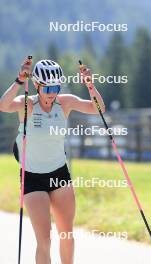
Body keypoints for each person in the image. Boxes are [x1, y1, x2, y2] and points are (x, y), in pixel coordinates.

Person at [0, 57, 105, 264]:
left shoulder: (64, 102)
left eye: (56, 87)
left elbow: (98, 109)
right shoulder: (27, 104)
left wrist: (90, 85)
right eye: (47, 89)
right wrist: (19, 81)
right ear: (37, 85)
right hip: (32, 178)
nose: (52, 93)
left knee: (66, 235)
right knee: (45, 241)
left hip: (59, 174)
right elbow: (3, 106)